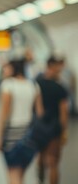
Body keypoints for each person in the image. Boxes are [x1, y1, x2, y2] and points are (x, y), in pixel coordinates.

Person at [0, 59, 44, 184]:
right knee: (21, 174)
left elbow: (4, 114)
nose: (4, 70)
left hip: (12, 134)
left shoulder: (8, 85)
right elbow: (40, 113)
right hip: (29, 134)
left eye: (7, 67)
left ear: (13, 68)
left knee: (13, 175)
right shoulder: (33, 85)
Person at [35, 55, 68, 184]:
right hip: (54, 129)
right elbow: (63, 113)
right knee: (53, 162)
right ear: (53, 66)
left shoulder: (37, 82)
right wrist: (64, 131)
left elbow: (36, 107)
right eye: (59, 65)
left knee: (41, 156)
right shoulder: (60, 88)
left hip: (40, 126)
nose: (61, 68)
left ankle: (40, 179)